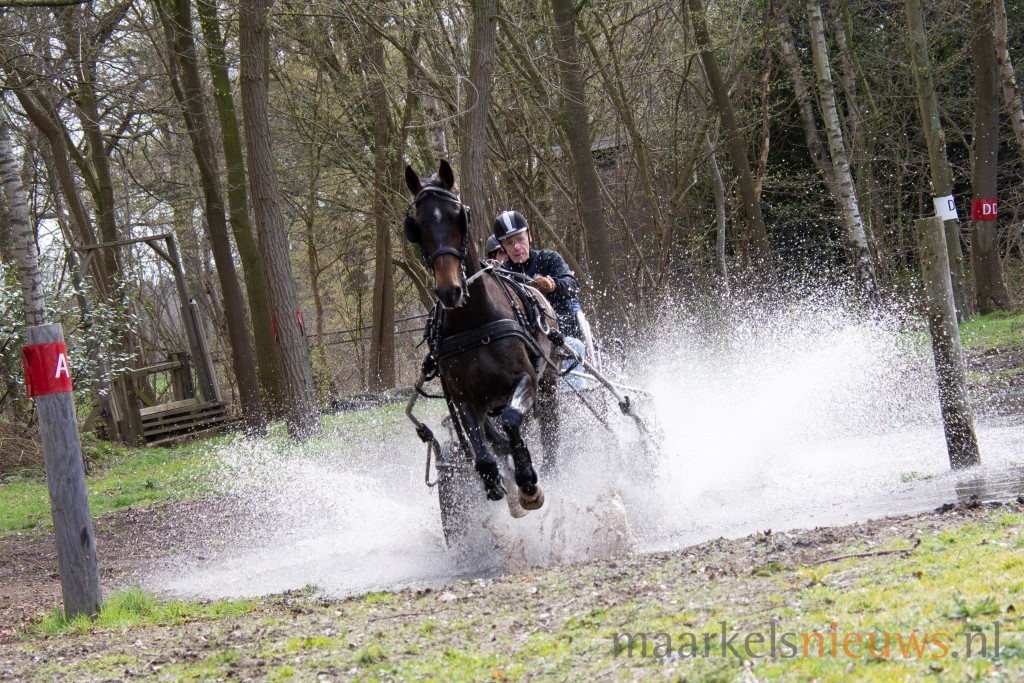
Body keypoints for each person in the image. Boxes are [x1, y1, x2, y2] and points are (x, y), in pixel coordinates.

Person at [493, 210, 589, 387]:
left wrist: (552, 285)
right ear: (503, 247)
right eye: (510, 243)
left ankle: (573, 406)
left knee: (574, 347)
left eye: (520, 239)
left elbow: (573, 284)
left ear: (529, 236)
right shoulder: (500, 275)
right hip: (522, 346)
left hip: (561, 336)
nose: (516, 247)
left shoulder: (549, 258)